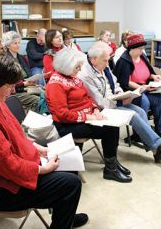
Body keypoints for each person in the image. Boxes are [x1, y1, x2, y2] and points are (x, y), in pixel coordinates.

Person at [0, 52, 88, 229]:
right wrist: (41, 169)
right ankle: (63, 220)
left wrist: (36, 147)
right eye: (9, 86)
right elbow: (8, 165)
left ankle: (65, 216)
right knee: (70, 185)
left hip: (5, 174)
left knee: (68, 169)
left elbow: (15, 133)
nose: (13, 91)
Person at [78, 41, 161, 162]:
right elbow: (99, 102)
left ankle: (156, 150)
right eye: (105, 60)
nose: (108, 64)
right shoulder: (86, 75)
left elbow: (115, 83)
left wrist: (120, 94)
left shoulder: (102, 63)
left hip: (114, 100)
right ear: (94, 59)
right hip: (102, 108)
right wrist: (120, 102)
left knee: (140, 111)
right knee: (133, 115)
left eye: (108, 60)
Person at [46, 47, 132, 183]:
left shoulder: (73, 78)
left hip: (82, 120)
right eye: (77, 67)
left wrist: (95, 109)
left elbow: (88, 99)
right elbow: (62, 115)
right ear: (66, 66)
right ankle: (110, 168)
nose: (80, 70)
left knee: (112, 125)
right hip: (66, 125)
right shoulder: (55, 83)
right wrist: (88, 117)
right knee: (109, 128)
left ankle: (112, 163)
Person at [114, 34, 161, 140]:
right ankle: (139, 133)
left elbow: (148, 72)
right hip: (133, 90)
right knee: (144, 101)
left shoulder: (142, 57)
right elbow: (125, 81)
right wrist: (142, 88)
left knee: (159, 99)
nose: (142, 51)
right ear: (132, 49)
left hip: (146, 87)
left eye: (143, 48)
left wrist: (154, 76)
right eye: (140, 49)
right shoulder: (124, 61)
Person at [2, 31, 40, 113]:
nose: (18, 45)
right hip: (15, 91)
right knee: (39, 100)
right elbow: (6, 83)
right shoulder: (5, 60)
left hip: (26, 87)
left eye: (19, 42)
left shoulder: (22, 58)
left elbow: (28, 74)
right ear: (8, 45)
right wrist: (24, 83)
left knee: (47, 94)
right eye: (15, 43)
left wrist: (32, 81)